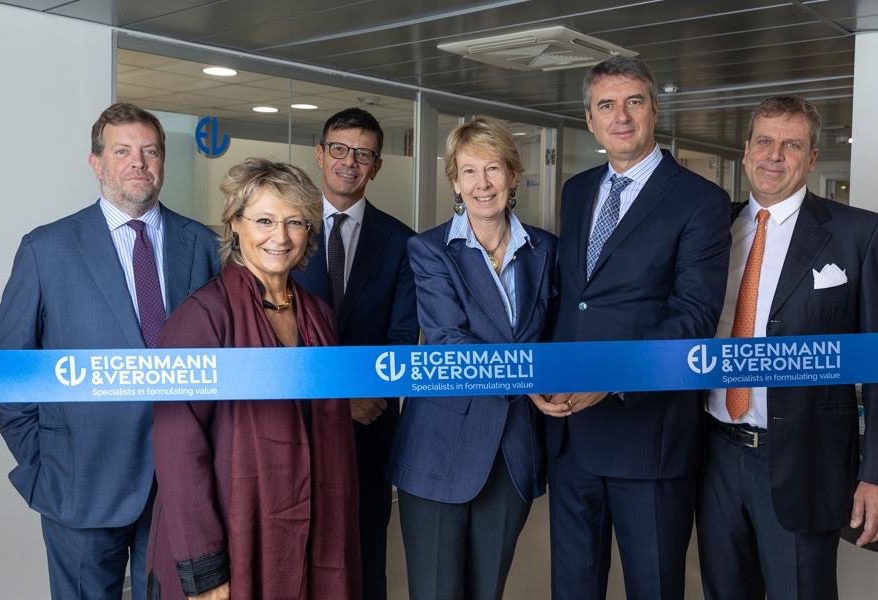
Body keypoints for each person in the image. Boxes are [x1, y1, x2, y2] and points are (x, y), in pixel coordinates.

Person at [0, 102, 220, 600]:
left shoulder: (204, 245)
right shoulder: (46, 249)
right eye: (122, 151)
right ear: (96, 163)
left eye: (150, 151)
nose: (138, 162)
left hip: (181, 481)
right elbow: (6, 370)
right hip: (80, 480)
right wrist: (41, 460)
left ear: (162, 161)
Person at [530, 56, 732, 599]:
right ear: (590, 120)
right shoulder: (577, 190)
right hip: (571, 435)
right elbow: (574, 302)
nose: (621, 117)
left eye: (633, 102)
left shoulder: (700, 200)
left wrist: (612, 377)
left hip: (650, 436)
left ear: (655, 110)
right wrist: (540, 375)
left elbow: (694, 315)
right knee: (572, 588)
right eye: (606, 105)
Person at [695, 94, 878, 600]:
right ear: (746, 151)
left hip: (805, 462)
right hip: (714, 454)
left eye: (791, 145)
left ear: (811, 158)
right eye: (764, 141)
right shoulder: (710, 229)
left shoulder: (859, 234)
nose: (774, 155)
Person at [147, 158, 361, 600]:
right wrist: (206, 573)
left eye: (295, 222)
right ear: (234, 224)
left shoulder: (319, 316)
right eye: (264, 220)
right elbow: (178, 450)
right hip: (235, 539)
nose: (280, 237)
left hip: (316, 535)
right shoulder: (201, 317)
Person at [387, 116, 558, 600]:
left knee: (488, 590)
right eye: (468, 171)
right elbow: (448, 342)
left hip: (514, 445)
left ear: (513, 175)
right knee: (436, 591)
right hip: (441, 445)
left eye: (493, 168)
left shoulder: (546, 250)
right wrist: (530, 378)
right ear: (455, 183)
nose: (482, 183)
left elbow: (555, 338)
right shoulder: (430, 250)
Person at [291, 107, 418, 600]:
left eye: (363, 154)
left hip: (370, 427)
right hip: (294, 427)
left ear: (377, 166)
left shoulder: (402, 242)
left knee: (364, 562)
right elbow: (271, 340)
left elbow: (401, 340)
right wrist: (334, 403)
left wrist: (360, 400)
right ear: (320, 155)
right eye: (340, 149)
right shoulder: (285, 231)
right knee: (295, 561)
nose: (350, 161)